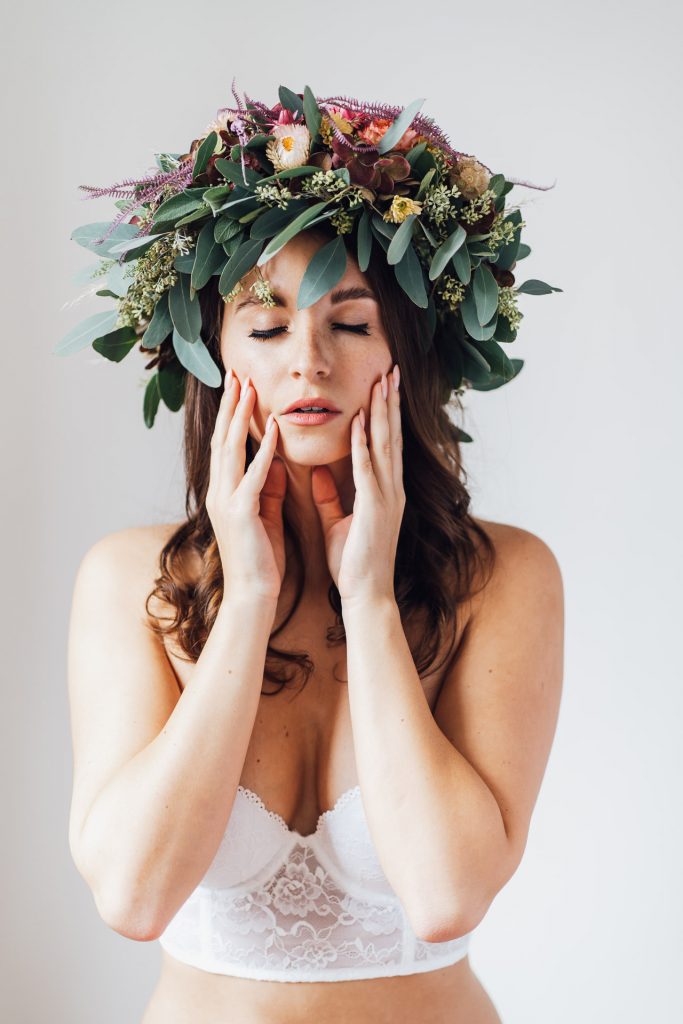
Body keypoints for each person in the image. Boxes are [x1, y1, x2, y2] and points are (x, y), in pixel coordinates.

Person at [64, 88, 564, 1023]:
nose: (307, 362)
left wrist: (369, 600)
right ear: (210, 356)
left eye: (351, 321)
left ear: (408, 353)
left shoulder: (502, 579)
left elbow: (446, 893)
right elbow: (133, 898)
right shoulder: (129, 579)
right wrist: (248, 598)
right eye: (264, 327)